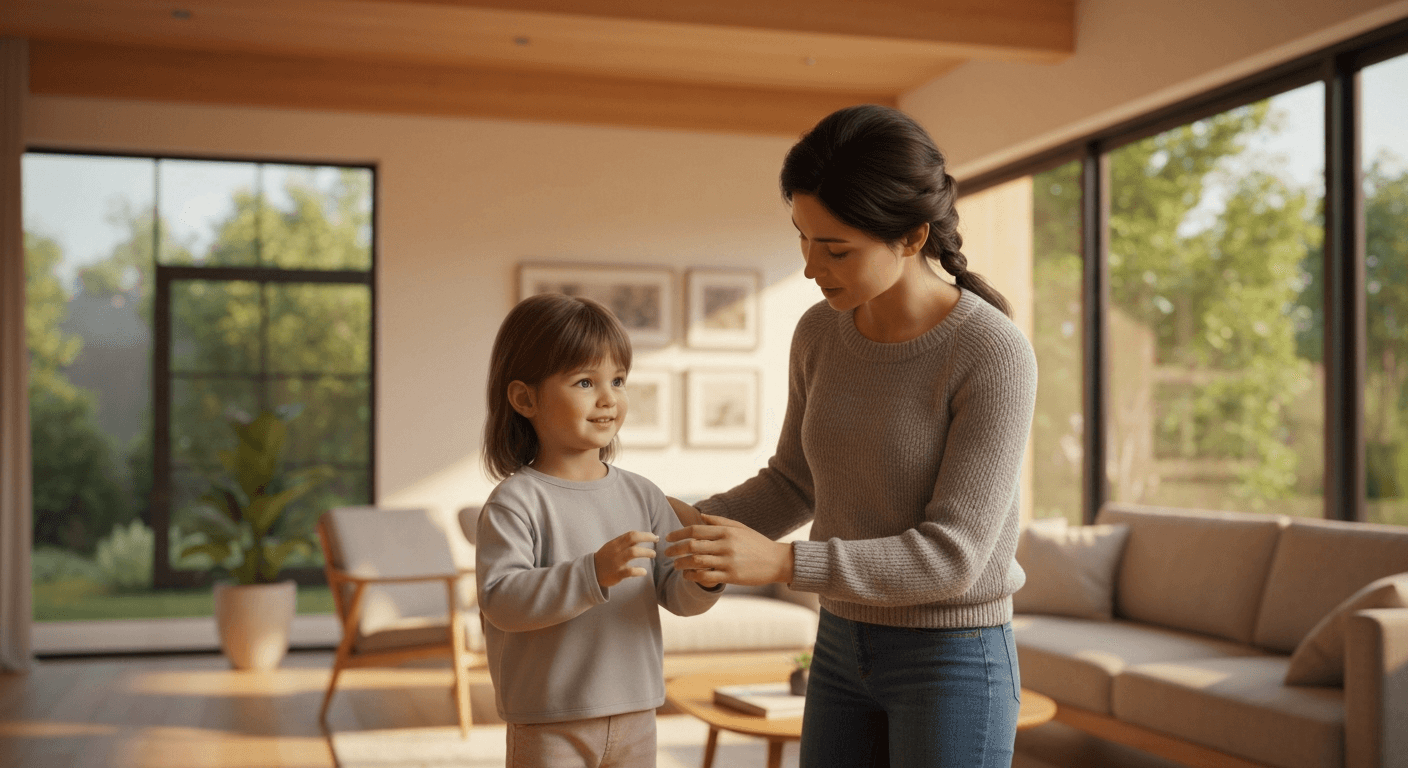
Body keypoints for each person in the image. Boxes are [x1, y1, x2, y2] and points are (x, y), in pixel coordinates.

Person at [664, 104, 1038, 768]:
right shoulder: (819, 333)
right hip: (839, 645)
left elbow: (953, 558)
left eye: (835, 248)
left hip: (952, 660)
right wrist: (685, 524)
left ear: (913, 237)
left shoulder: (992, 352)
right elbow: (794, 481)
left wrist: (782, 565)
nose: (811, 267)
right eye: (802, 239)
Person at [476, 293, 722, 768]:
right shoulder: (515, 501)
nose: (609, 398)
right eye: (585, 381)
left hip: (637, 712)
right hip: (548, 718)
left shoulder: (644, 495)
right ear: (525, 398)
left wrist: (704, 577)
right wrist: (593, 573)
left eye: (618, 380)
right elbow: (501, 600)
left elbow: (677, 594)